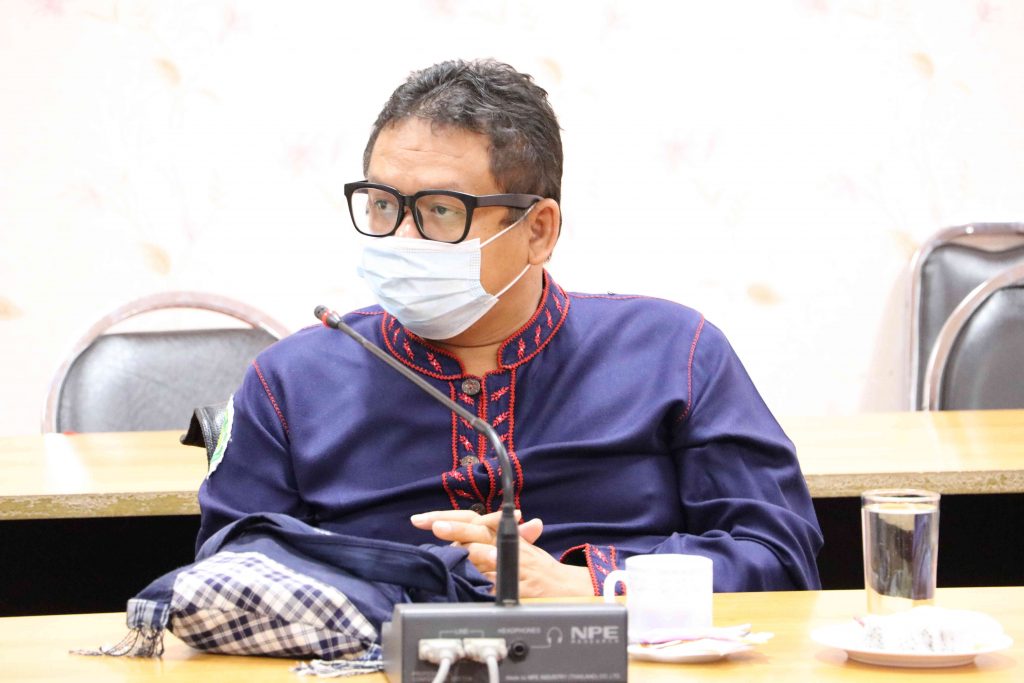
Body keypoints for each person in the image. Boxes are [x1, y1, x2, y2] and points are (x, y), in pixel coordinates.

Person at [197, 58, 823, 597]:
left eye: (441, 210)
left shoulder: (672, 353)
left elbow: (779, 555)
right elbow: (228, 571)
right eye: (383, 205)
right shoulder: (291, 381)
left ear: (538, 231)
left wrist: (596, 585)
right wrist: (416, 575)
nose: (403, 237)